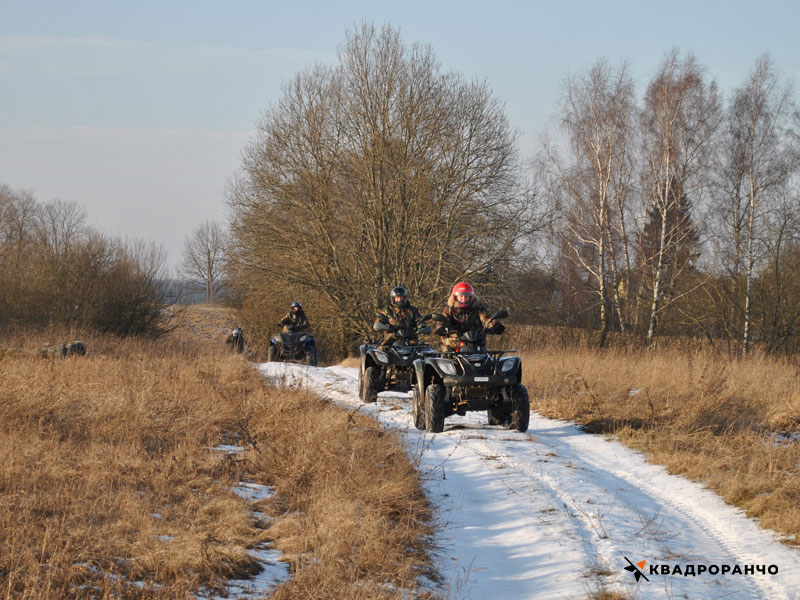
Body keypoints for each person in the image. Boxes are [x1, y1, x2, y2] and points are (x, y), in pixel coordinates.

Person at [439, 282, 504, 351]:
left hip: (476, 343)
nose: (463, 298)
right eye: (461, 296)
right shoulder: (449, 309)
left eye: (466, 296)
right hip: (455, 343)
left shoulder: (478, 308)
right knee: (446, 354)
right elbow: (443, 319)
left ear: (471, 297)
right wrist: (441, 327)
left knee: (488, 356)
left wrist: (495, 325)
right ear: (455, 297)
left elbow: (487, 318)